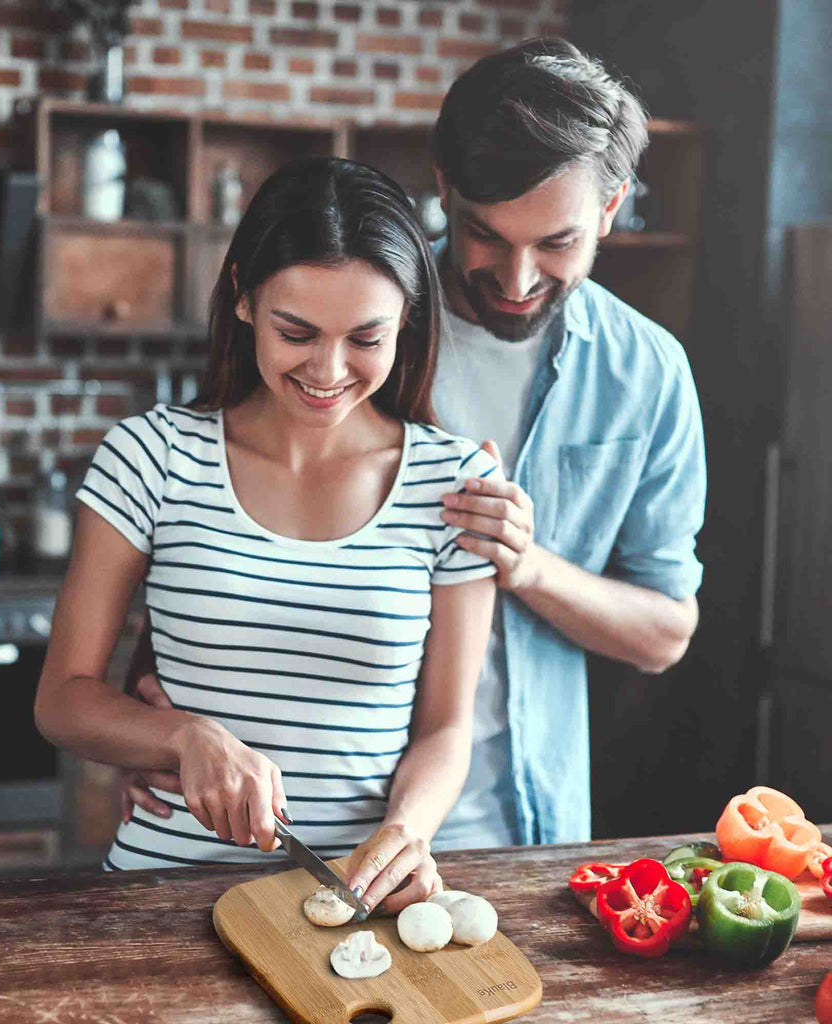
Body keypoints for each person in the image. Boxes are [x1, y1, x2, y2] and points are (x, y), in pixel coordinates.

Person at [119, 37, 707, 851]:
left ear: (609, 209)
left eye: (557, 244)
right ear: (444, 189)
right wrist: (152, 724)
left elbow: (667, 631)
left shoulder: (648, 373)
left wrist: (526, 564)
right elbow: (213, 520)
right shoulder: (347, 317)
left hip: (518, 821)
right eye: (486, 236)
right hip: (293, 831)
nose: (517, 277)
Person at [34, 156, 501, 914]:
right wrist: (183, 738)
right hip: (164, 893)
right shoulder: (150, 457)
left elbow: (447, 727)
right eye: (298, 331)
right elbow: (62, 699)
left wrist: (407, 833)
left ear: (407, 320)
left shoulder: (453, 485)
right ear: (245, 298)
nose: (329, 369)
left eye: (365, 338)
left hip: (353, 898)